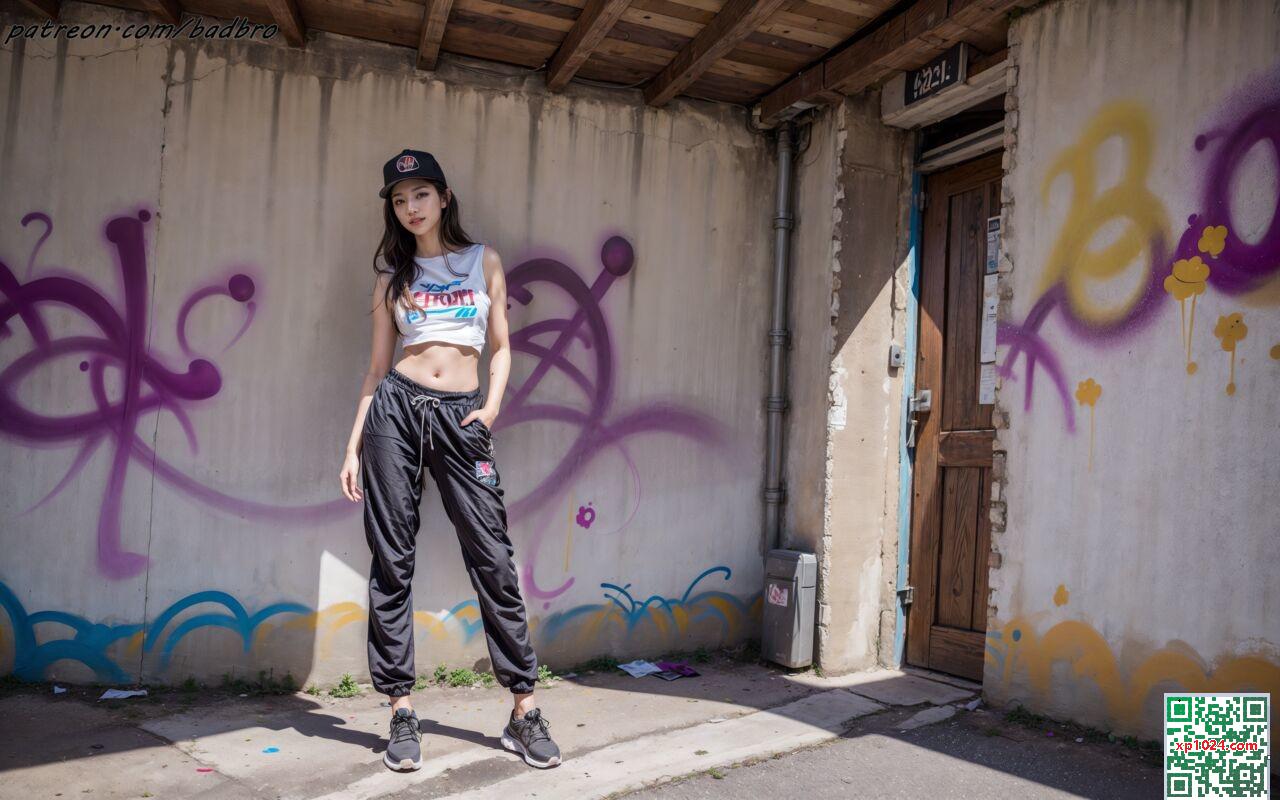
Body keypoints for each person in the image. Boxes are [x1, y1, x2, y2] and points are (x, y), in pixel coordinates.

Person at [338, 148, 561, 772]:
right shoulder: (392, 277)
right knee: (392, 559)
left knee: (493, 558)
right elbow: (376, 370)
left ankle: (523, 710)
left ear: (443, 197)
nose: (411, 207)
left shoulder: (482, 260)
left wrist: (489, 410)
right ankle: (401, 710)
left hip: (462, 418)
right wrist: (353, 445)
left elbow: (502, 348)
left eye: (420, 194)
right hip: (395, 413)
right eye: (399, 199)